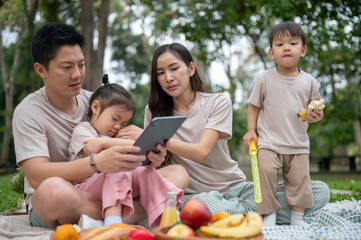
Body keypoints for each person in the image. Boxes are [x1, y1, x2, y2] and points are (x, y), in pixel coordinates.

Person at [118, 42, 330, 226]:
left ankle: (243, 213)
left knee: (318, 190)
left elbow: (201, 151)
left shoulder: (217, 102)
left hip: (235, 187)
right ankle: (251, 214)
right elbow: (160, 166)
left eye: (174, 68)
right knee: (210, 206)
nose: (168, 78)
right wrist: (156, 156)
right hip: (194, 195)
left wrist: (158, 137)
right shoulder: (153, 112)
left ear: (191, 68)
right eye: (160, 73)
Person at [12, 22, 189, 229]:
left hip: (110, 186)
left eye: (81, 64)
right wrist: (97, 163)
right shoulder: (29, 112)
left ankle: (101, 221)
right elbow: (36, 176)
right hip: (66, 196)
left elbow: (121, 157)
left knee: (178, 174)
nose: (77, 74)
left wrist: (148, 158)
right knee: (54, 190)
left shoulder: (98, 101)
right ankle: (133, 214)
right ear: (41, 70)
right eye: (67, 67)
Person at [68, 73, 184, 228]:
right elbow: (94, 150)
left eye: (123, 123)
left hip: (114, 186)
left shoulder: (115, 137)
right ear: (96, 107)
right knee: (116, 164)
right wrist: (112, 142)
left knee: (146, 172)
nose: (117, 127)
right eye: (115, 119)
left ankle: (164, 217)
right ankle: (112, 223)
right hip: (85, 188)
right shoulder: (83, 130)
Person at [242, 21, 325, 227]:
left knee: (300, 181)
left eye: (292, 43)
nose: (286, 47)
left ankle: (297, 217)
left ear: (303, 50)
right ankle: (268, 213)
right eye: (279, 45)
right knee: (266, 175)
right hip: (269, 142)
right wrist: (251, 131)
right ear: (271, 53)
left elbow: (316, 108)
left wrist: (317, 115)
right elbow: (254, 107)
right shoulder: (265, 78)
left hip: (298, 143)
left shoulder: (309, 81)